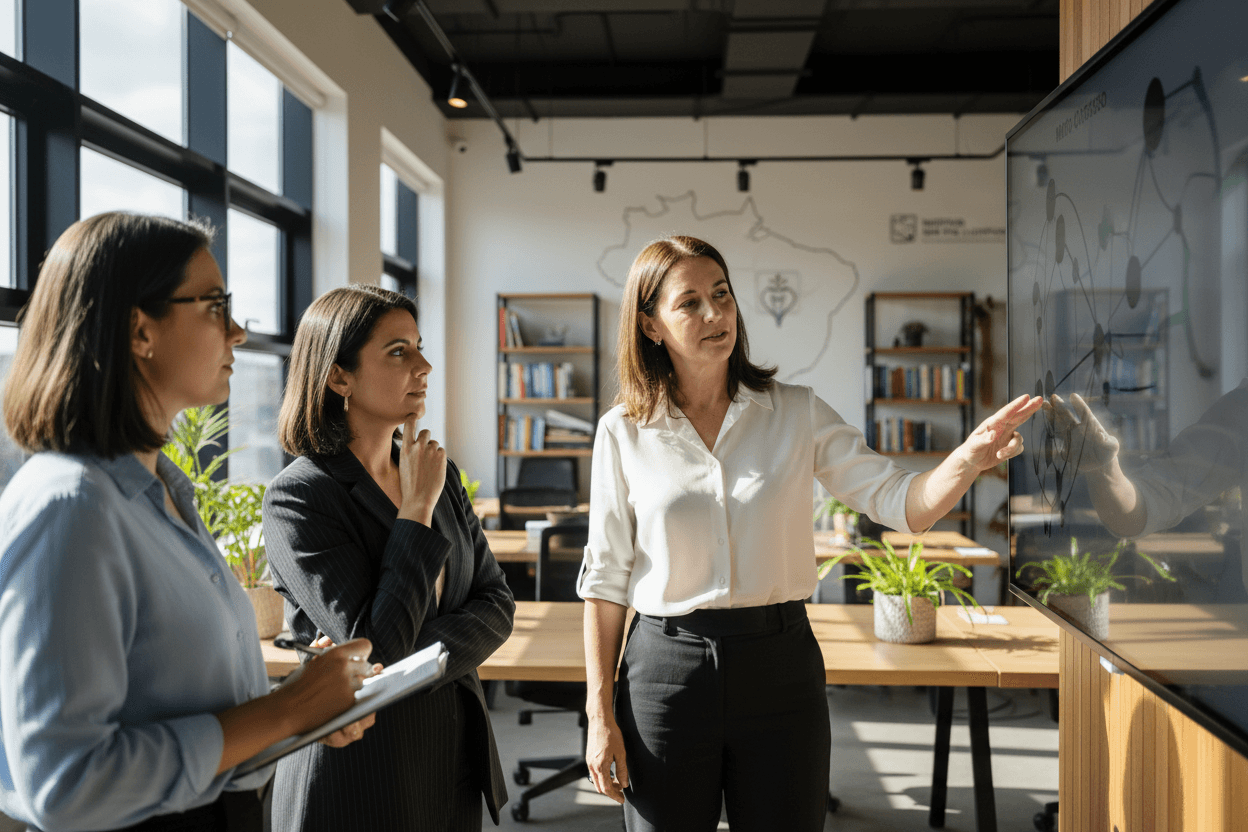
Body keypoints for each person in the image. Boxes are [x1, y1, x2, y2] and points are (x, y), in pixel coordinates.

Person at [579, 235, 1041, 832]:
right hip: (666, 671)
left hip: (779, 666)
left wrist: (969, 459)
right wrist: (599, 711)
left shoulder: (795, 412)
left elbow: (902, 504)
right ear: (650, 326)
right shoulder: (623, 432)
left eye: (721, 295)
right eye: (689, 303)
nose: (715, 314)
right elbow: (607, 578)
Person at [0, 213, 375, 832]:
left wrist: (306, 706)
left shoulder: (160, 492)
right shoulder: (72, 509)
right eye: (214, 306)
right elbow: (65, 784)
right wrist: (286, 711)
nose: (237, 332)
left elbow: (184, 710)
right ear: (139, 329)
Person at [262, 284, 516, 831]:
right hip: (360, 772)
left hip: (449, 758)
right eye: (398, 351)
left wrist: (402, 663)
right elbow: (377, 642)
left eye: (419, 347)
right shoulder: (301, 496)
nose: (423, 365)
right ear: (338, 376)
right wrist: (415, 510)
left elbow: (497, 603)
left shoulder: (430, 468)